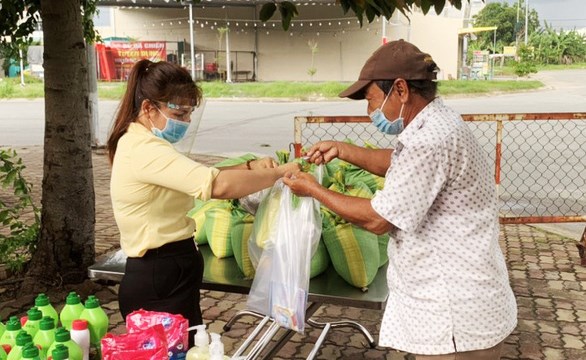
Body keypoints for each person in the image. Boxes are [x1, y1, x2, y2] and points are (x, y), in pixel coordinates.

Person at [282, 40, 517, 359]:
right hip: (468, 302)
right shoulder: (438, 123)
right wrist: (343, 149)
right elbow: (400, 162)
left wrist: (313, 189)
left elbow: (378, 219)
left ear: (401, 90)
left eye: (371, 100)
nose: (370, 112)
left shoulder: (429, 141)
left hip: (454, 318)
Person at [106, 59, 299, 337]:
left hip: (169, 274)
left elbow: (195, 174)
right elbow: (217, 186)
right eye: (179, 113)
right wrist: (279, 173)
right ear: (148, 108)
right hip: (157, 279)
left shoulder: (145, 143)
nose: (185, 122)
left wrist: (247, 167)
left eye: (189, 114)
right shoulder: (142, 149)